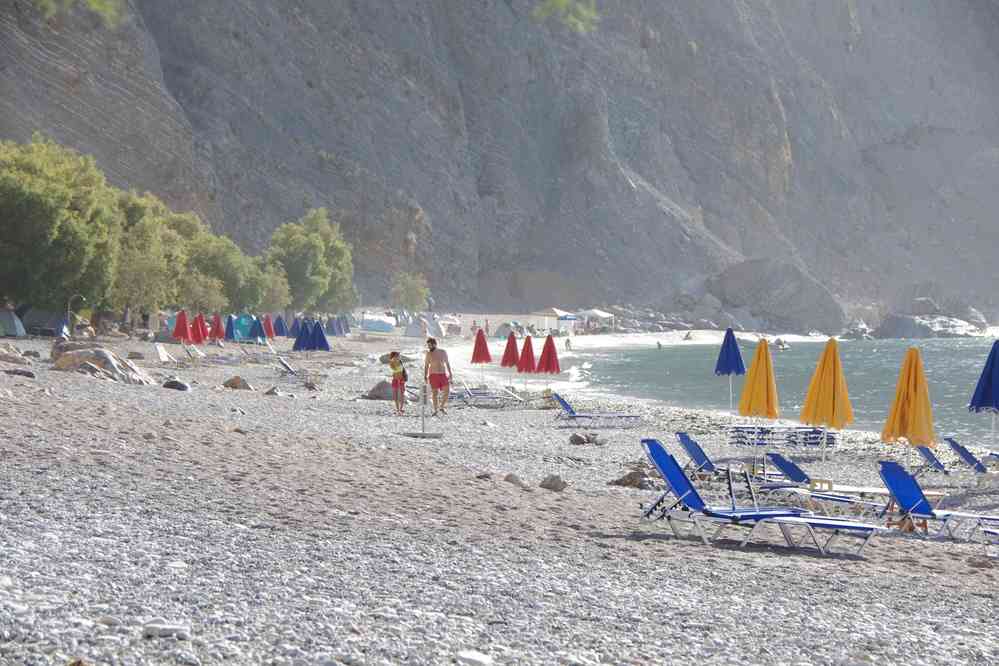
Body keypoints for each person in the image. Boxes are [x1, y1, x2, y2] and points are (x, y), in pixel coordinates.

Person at [423, 337, 452, 416]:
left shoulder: (443, 352)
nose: (428, 347)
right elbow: (426, 365)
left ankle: (442, 406)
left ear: (435, 344)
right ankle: (435, 410)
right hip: (433, 375)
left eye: (430, 345)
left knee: (447, 391)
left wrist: (450, 373)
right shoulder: (428, 354)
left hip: (443, 374)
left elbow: (447, 363)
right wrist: (425, 376)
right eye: (428, 345)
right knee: (435, 393)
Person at [388, 351, 407, 415]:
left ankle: (401, 409)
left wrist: (404, 378)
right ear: (393, 356)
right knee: (395, 395)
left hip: (401, 380)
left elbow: (403, 371)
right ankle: (397, 409)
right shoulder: (391, 363)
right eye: (397, 356)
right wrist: (394, 361)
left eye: (398, 356)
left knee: (402, 394)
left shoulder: (400, 362)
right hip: (395, 380)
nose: (398, 357)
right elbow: (394, 369)